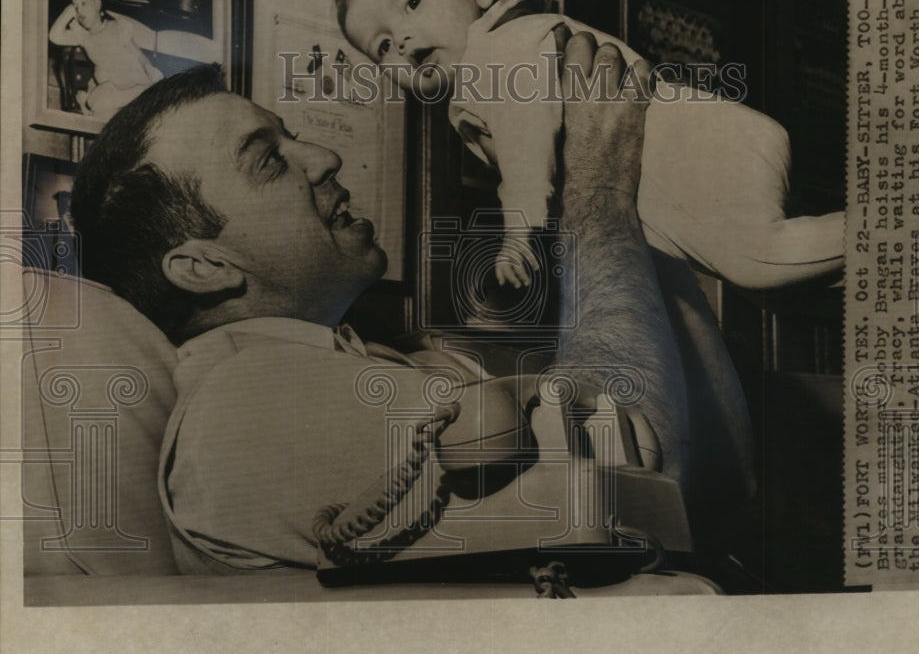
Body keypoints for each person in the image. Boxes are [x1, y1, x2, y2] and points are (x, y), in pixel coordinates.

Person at [69, 33, 745, 573]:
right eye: (269, 160)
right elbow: (648, 485)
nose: (324, 156)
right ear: (203, 267)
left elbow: (720, 484)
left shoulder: (363, 365)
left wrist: (636, 203)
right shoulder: (246, 400)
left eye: (292, 135)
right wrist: (598, 186)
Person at [336, 0, 845, 289]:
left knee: (757, 259)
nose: (402, 40)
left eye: (413, 3)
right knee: (791, 272)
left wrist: (518, 233)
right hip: (685, 180)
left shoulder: (503, 51)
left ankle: (886, 226)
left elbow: (527, 149)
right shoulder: (481, 75)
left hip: (710, 150)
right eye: (382, 46)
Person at [49, 0, 164, 119]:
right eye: (76, 7)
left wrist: (151, 71)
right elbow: (54, 36)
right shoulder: (83, 36)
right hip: (109, 91)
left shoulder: (116, 27)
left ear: (97, 4)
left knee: (103, 105)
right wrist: (70, 10)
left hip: (134, 86)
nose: (80, 11)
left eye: (84, 3)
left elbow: (138, 55)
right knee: (99, 104)